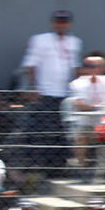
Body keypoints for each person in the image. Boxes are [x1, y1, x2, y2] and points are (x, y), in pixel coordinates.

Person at [22, 10, 82, 169]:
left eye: (64, 21)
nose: (61, 24)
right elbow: (31, 64)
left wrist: (76, 89)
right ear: (53, 23)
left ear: (69, 24)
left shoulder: (74, 42)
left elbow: (75, 66)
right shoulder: (40, 40)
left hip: (66, 93)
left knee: (65, 130)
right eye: (58, 21)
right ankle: (45, 165)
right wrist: (33, 86)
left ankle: (61, 165)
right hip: (46, 92)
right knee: (47, 129)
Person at [64, 53, 105, 173]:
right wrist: (101, 108)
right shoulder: (77, 84)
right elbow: (80, 105)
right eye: (88, 66)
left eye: (96, 66)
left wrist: (99, 109)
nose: (92, 69)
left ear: (104, 67)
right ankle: (83, 168)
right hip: (86, 122)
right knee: (81, 135)